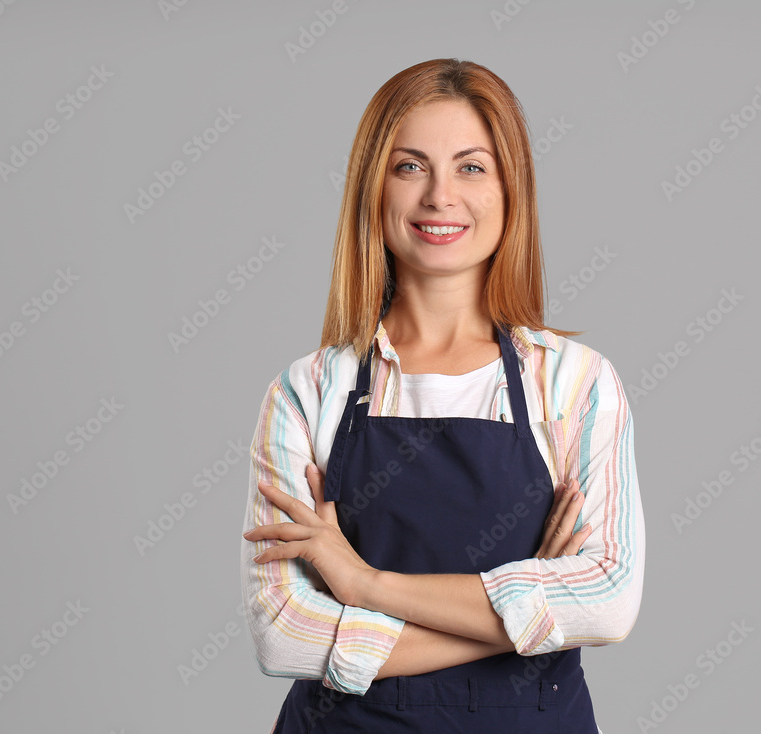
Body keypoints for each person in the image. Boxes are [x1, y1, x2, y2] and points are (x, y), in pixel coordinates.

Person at [240, 57, 645, 733]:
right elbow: (283, 633)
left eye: (471, 166)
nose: (439, 196)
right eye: (409, 166)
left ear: (510, 188)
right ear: (374, 189)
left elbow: (608, 603)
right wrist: (527, 611)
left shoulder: (575, 384)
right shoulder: (309, 392)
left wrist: (362, 584)